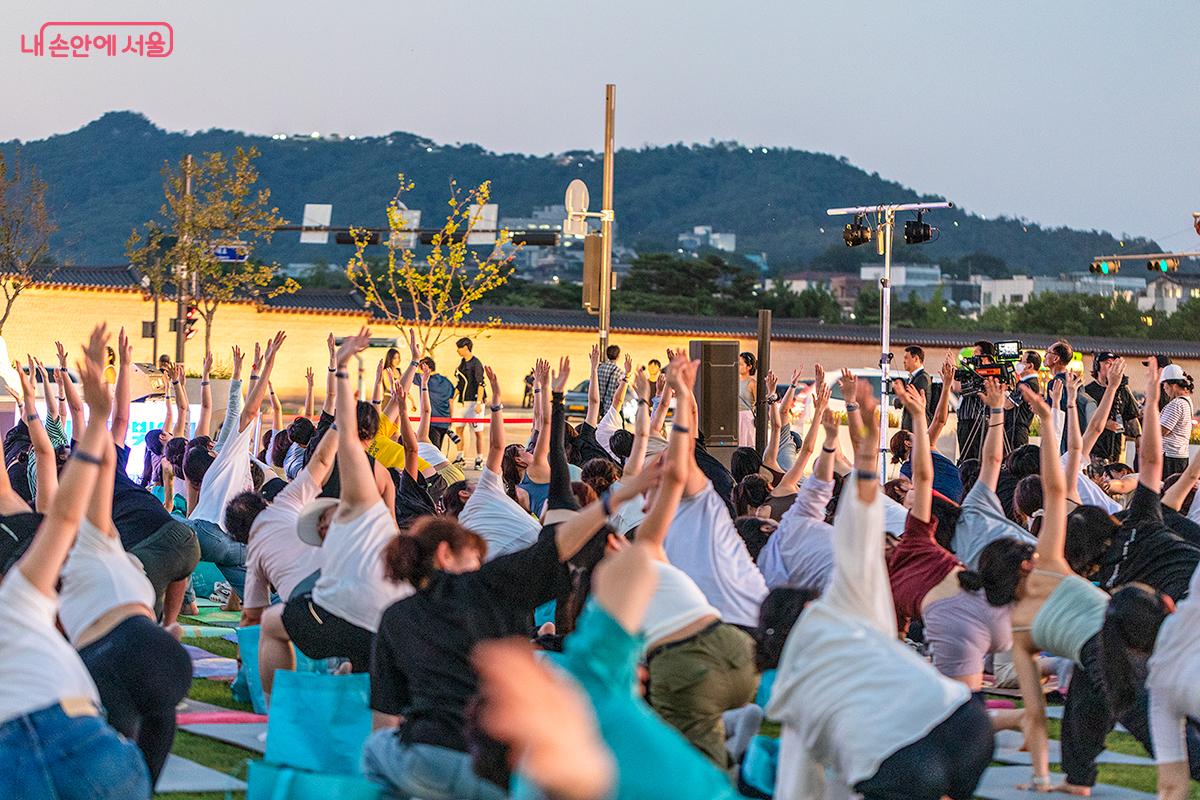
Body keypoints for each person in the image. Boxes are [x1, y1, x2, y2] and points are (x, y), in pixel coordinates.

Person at [364, 405, 660, 799]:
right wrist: (611, 502)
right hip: (495, 768)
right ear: (446, 556)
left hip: (426, 759)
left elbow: (385, 718)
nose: (479, 560)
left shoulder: (397, 615)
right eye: (473, 552)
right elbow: (556, 546)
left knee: (375, 752)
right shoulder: (489, 584)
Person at [769, 380, 993, 800]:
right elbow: (861, 520)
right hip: (965, 724)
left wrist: (868, 447)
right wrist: (866, 447)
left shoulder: (802, 675)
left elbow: (801, 783)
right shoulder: (859, 603)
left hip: (906, 755)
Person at [0, 323, 152, 800]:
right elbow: (65, 514)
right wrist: (94, 415)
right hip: (96, 750)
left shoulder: (21, 598)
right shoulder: (21, 597)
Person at [626, 353, 758, 765]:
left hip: (735, 636)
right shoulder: (641, 538)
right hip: (737, 643)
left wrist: (682, 396)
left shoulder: (700, 505)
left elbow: (682, 459)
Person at [276, 329, 411, 698]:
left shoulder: (348, 479)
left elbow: (344, 437)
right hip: (386, 613)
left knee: (283, 614)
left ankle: (275, 705)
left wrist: (341, 366)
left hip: (340, 600)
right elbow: (395, 527)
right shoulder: (381, 476)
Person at [59, 434, 191, 784]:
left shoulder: (74, 551)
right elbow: (100, 475)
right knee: (142, 774)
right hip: (167, 659)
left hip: (110, 660)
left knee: (104, 769)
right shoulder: (110, 546)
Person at [886, 380, 1011, 687]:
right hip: (1010, 604)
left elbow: (926, 476)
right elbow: (992, 461)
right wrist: (996, 411)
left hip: (992, 611)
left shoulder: (927, 544)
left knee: (966, 698)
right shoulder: (939, 537)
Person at [453, 367, 542, 557]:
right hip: (536, 550)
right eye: (473, 483)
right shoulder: (487, 490)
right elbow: (496, 447)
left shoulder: (463, 531)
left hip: (511, 567)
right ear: (464, 493)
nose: (478, 482)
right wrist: (496, 405)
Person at [1082, 352, 1140, 466]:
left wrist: (1139, 438)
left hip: (1116, 451)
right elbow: (1082, 418)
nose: (1111, 367)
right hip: (1094, 451)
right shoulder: (1087, 391)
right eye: (1107, 363)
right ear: (1097, 366)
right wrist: (1105, 423)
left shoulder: (1123, 390)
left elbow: (1131, 417)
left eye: (1114, 364)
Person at [952, 341, 995, 464]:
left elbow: (957, 387)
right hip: (964, 420)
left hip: (976, 422)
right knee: (965, 457)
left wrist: (953, 366)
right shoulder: (973, 373)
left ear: (985, 357)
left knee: (973, 460)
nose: (973, 356)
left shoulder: (986, 376)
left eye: (976, 352)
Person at [453, 337, 486, 470]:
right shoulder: (462, 363)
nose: (457, 350)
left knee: (478, 432)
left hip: (475, 402)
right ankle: (460, 457)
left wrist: (478, 402)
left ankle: (479, 459)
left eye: (459, 348)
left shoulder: (476, 363)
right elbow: (460, 384)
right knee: (459, 429)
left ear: (466, 348)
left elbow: (481, 384)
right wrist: (452, 398)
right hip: (463, 403)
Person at [1158, 364, 1194, 479]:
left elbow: (1161, 431)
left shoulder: (1176, 404)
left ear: (1173, 385)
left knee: (1166, 491)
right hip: (1179, 455)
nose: (1164, 388)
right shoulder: (1186, 401)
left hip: (1170, 458)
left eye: (1164, 384)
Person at [1003, 349, 1042, 452]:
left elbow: (1007, 405)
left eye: (1021, 361)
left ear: (1030, 366)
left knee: (1016, 464)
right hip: (1013, 429)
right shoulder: (1024, 382)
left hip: (1017, 431)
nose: (1018, 364)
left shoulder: (1028, 384)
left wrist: (998, 391)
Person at [419, 355, 456, 450]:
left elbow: (409, 374)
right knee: (437, 449)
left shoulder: (424, 380)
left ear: (425, 368)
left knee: (434, 451)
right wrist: (450, 419)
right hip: (445, 421)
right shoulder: (447, 381)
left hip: (432, 422)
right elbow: (451, 402)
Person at [1043, 340, 1073, 453]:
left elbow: (1055, 414)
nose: (1045, 356)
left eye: (1048, 352)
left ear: (1056, 358)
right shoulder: (1072, 380)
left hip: (1060, 440)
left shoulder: (1055, 383)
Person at [897, 345, 932, 432]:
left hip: (916, 430)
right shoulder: (914, 377)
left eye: (906, 358)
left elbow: (910, 399)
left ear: (916, 359)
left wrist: (899, 399)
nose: (903, 362)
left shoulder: (922, 378)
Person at [595, 344, 624, 417]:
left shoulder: (599, 369)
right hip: (613, 409)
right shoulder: (619, 372)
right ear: (618, 356)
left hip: (600, 407)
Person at [736, 351, 756, 447]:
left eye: (741, 364)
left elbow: (758, 403)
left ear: (749, 367)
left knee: (746, 444)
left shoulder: (752, 383)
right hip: (735, 416)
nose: (738, 366)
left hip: (746, 417)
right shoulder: (734, 381)